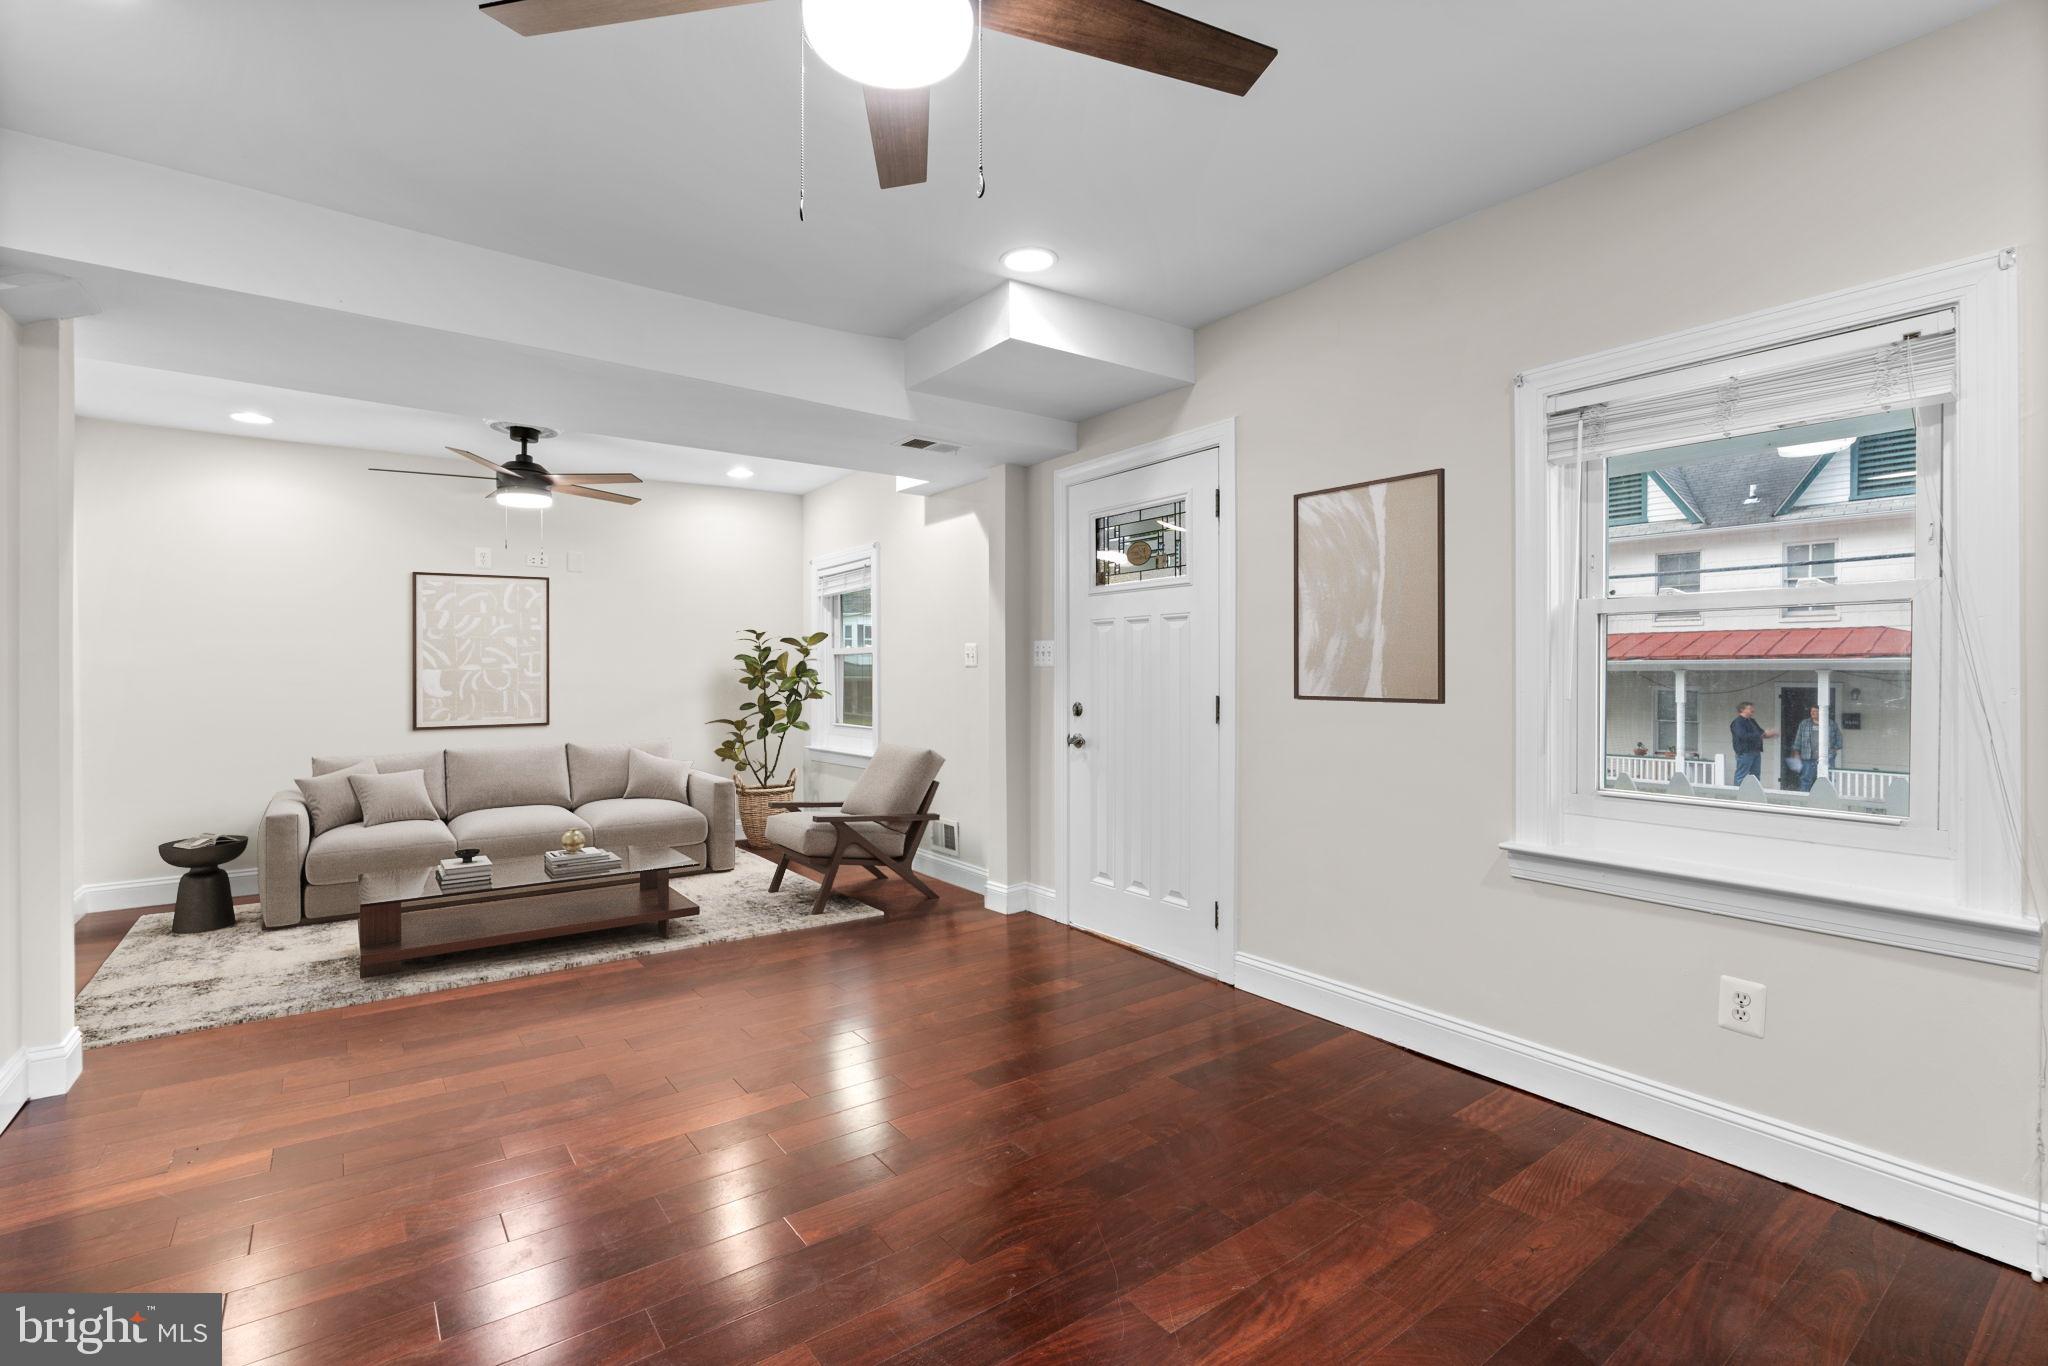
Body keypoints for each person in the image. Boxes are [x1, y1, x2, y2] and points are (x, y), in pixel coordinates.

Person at [1792, 705, 1843, 792]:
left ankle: (1827, 800)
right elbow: (1798, 739)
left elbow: (1839, 740)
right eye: (1811, 711)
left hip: (1827, 759)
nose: (1812, 713)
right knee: (1805, 780)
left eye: (1815, 711)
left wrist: (1833, 750)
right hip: (1808, 758)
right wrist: (1796, 753)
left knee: (1828, 780)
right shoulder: (1804, 723)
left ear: (1821, 712)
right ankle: (1805, 800)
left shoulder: (1831, 724)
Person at [1729, 702, 1775, 787]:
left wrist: (1769, 734)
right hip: (1745, 752)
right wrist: (1761, 735)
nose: (1753, 710)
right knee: (1741, 775)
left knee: (1755, 776)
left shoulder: (1752, 721)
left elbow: (1760, 733)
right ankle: (1738, 795)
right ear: (1742, 710)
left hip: (1756, 751)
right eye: (1750, 708)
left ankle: (1754, 794)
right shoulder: (1738, 722)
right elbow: (1742, 735)